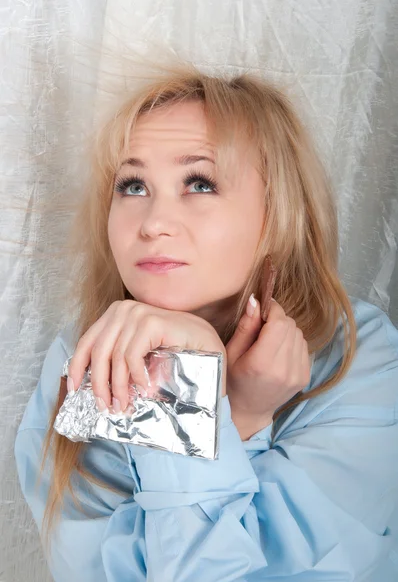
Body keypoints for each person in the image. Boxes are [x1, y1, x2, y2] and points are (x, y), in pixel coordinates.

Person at [14, 63, 398, 582]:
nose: (152, 224)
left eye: (199, 182)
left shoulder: (360, 356)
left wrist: (213, 423)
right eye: (132, 185)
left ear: (279, 212)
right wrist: (228, 416)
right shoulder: (80, 357)